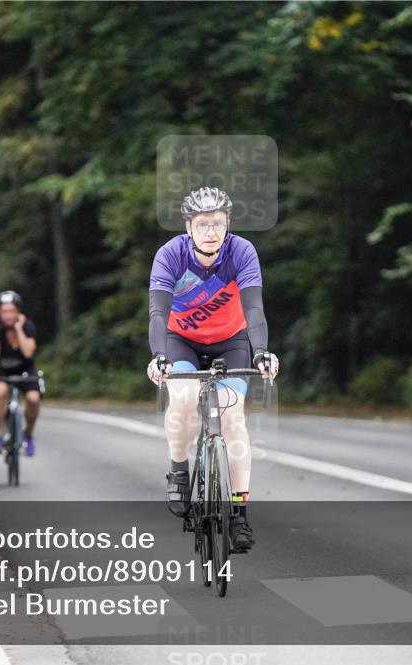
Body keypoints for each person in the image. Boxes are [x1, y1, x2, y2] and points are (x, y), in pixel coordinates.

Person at [146, 186, 280, 553]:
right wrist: (160, 355)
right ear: (188, 227)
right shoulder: (170, 255)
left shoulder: (242, 252)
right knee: (186, 398)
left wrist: (261, 352)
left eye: (217, 223)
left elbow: (253, 308)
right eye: (202, 224)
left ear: (227, 224)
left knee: (232, 415)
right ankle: (178, 468)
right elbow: (158, 312)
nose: (210, 231)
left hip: (231, 340)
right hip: (182, 340)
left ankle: (239, 514)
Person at [0, 290, 41, 456]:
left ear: (18, 311)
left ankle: (28, 434)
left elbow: (28, 353)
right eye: (4, 312)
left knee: (33, 399)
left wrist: (18, 330)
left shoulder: (27, 326)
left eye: (11, 311)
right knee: (0, 392)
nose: (8, 315)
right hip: (3, 371)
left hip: (26, 370)